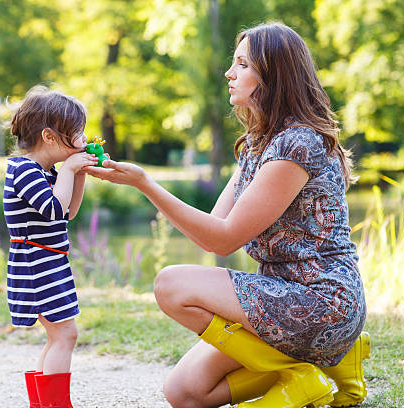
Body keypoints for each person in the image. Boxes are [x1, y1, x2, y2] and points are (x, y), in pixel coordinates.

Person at [86, 22, 369, 408]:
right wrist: (140, 181)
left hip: (321, 302)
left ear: (272, 76)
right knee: (184, 393)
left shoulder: (297, 144)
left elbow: (222, 240)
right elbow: (214, 229)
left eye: (242, 64)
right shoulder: (258, 144)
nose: (229, 73)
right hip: (280, 299)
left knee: (171, 285)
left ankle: (302, 377)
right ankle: (325, 366)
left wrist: (145, 184)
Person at [3, 86, 98, 408]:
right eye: (77, 133)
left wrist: (79, 173)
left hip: (49, 261)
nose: (83, 139)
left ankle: (42, 404)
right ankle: (57, 405)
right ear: (49, 136)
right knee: (65, 335)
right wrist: (70, 170)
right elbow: (55, 210)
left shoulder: (47, 171)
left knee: (58, 335)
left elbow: (68, 212)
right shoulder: (24, 171)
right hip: (36, 263)